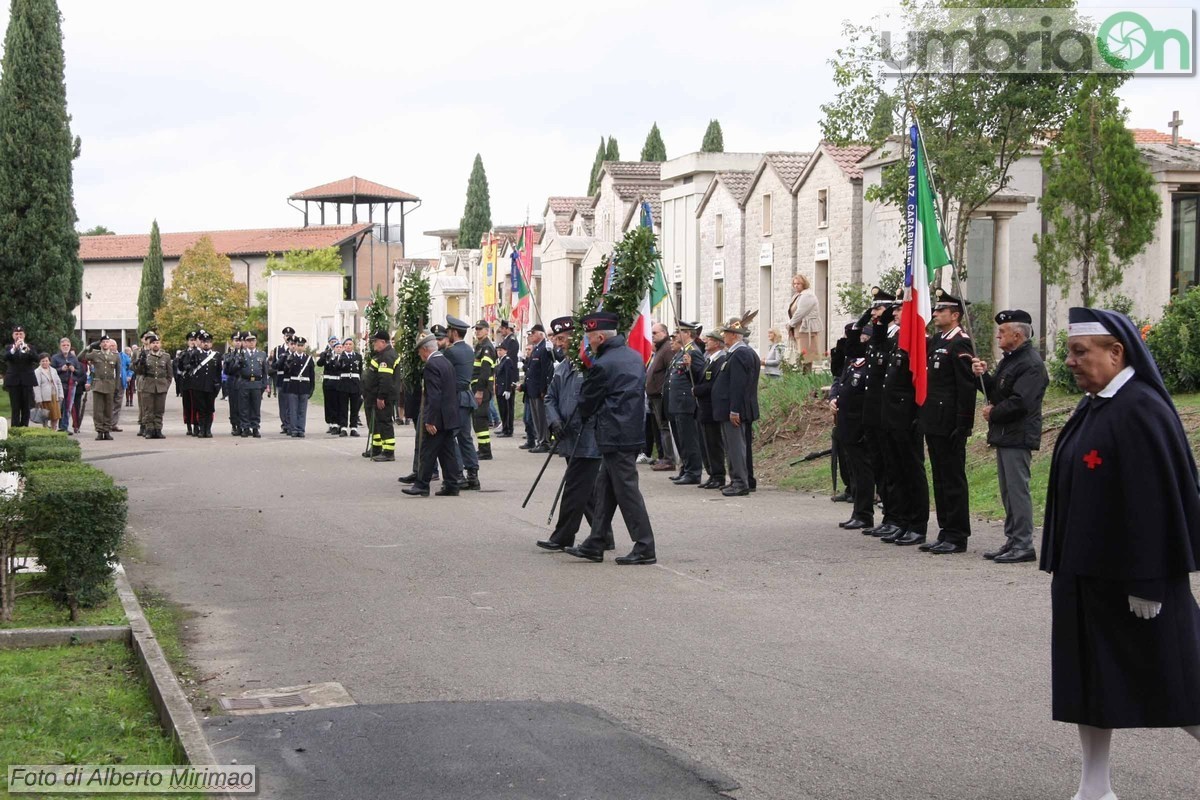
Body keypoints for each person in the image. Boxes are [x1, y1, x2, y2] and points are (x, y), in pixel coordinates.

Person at [1041, 307, 1200, 800]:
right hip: (1088, 578)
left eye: (1079, 351)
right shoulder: (1097, 404)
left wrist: (1150, 582)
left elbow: (1158, 501)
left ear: (1117, 352)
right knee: (1090, 685)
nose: (1070, 361)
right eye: (1069, 351)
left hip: (1137, 583)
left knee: (1182, 686)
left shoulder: (1141, 409)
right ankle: (1095, 787)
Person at [563, 312, 657, 565]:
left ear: (600, 337)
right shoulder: (634, 357)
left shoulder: (603, 364)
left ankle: (645, 546)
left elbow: (587, 402)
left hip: (613, 432)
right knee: (605, 487)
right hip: (630, 430)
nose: (588, 344)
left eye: (589, 339)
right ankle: (596, 541)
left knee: (627, 491)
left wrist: (581, 411)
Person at [971, 309, 1048, 564]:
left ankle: (1024, 543)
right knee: (1007, 491)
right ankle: (1013, 539)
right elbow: (998, 391)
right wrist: (983, 376)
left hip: (1018, 433)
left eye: (1002, 332)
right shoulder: (1011, 359)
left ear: (1017, 334)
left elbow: (1021, 402)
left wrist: (993, 413)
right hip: (1005, 434)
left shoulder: (1031, 364)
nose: (997, 336)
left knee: (1018, 491)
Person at [538, 316, 614, 551]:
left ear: (575, 339)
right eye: (556, 338)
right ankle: (604, 535)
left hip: (588, 437)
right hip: (568, 436)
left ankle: (563, 536)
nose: (558, 343)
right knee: (587, 490)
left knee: (574, 487)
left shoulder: (591, 366)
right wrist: (555, 422)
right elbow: (550, 397)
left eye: (561, 339)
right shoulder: (564, 367)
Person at [918, 289, 977, 554]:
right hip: (935, 421)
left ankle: (957, 534)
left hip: (951, 423)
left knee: (953, 478)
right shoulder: (937, 340)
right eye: (935, 309)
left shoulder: (960, 342)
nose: (935, 313)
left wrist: (963, 424)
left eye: (941, 310)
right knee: (940, 478)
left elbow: (966, 387)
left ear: (955, 315)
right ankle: (945, 530)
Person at [877, 298, 930, 546]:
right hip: (891, 417)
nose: (895, 313)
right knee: (896, 471)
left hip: (907, 418)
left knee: (911, 471)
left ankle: (917, 524)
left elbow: (916, 385)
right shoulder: (898, 342)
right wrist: (883, 318)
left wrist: (915, 417)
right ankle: (901, 519)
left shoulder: (919, 344)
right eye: (895, 309)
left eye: (900, 309)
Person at [402, 332, 464, 497]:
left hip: (437, 418)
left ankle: (422, 484)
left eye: (419, 351)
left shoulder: (431, 365)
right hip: (448, 416)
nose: (419, 354)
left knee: (427, 451)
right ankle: (452, 484)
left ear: (424, 350)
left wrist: (430, 420)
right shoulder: (446, 362)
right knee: (447, 452)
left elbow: (434, 395)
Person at [829, 319, 875, 530]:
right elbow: (838, 378)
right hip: (846, 422)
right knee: (853, 470)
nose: (858, 339)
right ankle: (857, 509)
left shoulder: (870, 362)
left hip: (860, 424)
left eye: (862, 335)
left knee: (863, 471)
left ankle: (864, 513)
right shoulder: (852, 361)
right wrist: (834, 398)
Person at [861, 289, 899, 536]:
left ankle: (898, 517)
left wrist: (881, 322)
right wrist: (870, 319)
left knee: (895, 467)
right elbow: (856, 338)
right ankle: (890, 516)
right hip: (876, 409)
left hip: (892, 411)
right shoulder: (882, 335)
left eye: (878, 309)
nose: (873, 312)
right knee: (881, 465)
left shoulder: (897, 337)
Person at [712, 314, 760, 497]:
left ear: (734, 335)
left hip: (735, 410)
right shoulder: (742, 353)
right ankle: (738, 480)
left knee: (736, 447)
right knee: (735, 447)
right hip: (734, 408)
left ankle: (740, 482)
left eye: (726, 334)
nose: (723, 337)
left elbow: (738, 385)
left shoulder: (740, 354)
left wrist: (734, 410)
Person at [667, 321, 706, 485]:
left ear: (688, 334)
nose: (676, 335)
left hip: (686, 401)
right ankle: (686, 468)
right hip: (678, 402)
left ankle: (693, 472)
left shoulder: (694, 352)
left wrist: (691, 366)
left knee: (689, 439)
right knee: (682, 438)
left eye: (680, 332)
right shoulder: (683, 351)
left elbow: (699, 375)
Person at [445, 316, 481, 488]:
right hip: (466, 397)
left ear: (453, 332)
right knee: (466, 437)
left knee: (452, 436)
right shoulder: (469, 349)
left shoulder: (450, 351)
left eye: (448, 331)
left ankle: (458, 473)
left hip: (456, 398)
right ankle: (473, 475)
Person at [692, 330, 727, 490]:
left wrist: (697, 391)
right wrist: (689, 368)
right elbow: (699, 378)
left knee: (714, 444)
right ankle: (712, 474)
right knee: (705, 444)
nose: (706, 341)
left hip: (711, 408)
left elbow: (714, 385)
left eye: (710, 340)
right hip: (703, 409)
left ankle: (719, 475)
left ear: (718, 343)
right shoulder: (709, 360)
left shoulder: (720, 360)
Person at [362, 330, 400, 460]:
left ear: (383, 342)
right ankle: (377, 447)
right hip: (374, 395)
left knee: (384, 422)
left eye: (375, 341)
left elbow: (385, 379)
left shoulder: (387, 356)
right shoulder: (382, 354)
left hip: (383, 396)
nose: (374, 344)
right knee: (377, 422)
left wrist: (381, 397)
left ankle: (388, 452)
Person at [645, 322, 675, 472]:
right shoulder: (660, 349)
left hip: (661, 395)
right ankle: (664, 456)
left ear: (664, 333)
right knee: (659, 428)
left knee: (664, 427)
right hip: (654, 395)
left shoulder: (667, 348)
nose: (653, 336)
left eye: (655, 333)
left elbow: (671, 371)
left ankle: (669, 459)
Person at [134, 333, 174, 439]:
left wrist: (166, 385)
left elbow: (169, 374)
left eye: (157, 343)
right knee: (148, 409)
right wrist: (140, 364)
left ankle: (158, 429)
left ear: (160, 344)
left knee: (159, 409)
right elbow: (138, 371)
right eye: (153, 343)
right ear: (150, 345)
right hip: (148, 385)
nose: (155, 345)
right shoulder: (144, 355)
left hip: (161, 386)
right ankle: (149, 429)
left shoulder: (166, 356)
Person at [229, 332, 267, 437]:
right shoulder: (241, 354)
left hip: (256, 383)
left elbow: (264, 371)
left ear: (256, 342)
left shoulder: (261, 354)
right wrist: (237, 363)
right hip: (244, 383)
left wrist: (264, 384)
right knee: (243, 407)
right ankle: (245, 427)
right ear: (245, 342)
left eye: (253, 341)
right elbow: (233, 370)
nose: (251, 343)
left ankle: (255, 427)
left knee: (255, 407)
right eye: (248, 341)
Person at [83, 336, 121, 440]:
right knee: (98, 409)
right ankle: (99, 430)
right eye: (103, 342)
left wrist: (117, 386)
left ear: (110, 344)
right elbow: (81, 358)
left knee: (108, 409)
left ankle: (107, 430)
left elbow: (118, 372)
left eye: (107, 342)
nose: (105, 344)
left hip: (110, 384)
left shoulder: (115, 356)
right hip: (98, 384)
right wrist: (88, 347)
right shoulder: (95, 354)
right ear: (100, 344)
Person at [524, 323, 553, 453]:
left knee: (541, 418)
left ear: (541, 334)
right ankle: (540, 440)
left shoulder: (543, 349)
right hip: (532, 389)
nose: (530, 336)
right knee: (536, 417)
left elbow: (544, 371)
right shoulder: (536, 348)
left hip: (539, 389)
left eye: (533, 333)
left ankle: (544, 441)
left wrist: (543, 389)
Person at [471, 320, 498, 460]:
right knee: (477, 419)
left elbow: (485, 371)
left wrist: (480, 391)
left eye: (480, 329)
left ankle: (485, 451)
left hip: (482, 388)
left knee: (480, 419)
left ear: (487, 330)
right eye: (476, 329)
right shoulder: (480, 346)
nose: (477, 331)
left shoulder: (487, 348)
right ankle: (482, 448)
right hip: (477, 387)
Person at [190, 330, 222, 438]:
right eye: (204, 342)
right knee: (201, 409)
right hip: (199, 386)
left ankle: (208, 429)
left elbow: (218, 372)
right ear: (201, 343)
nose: (206, 344)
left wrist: (218, 385)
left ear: (211, 343)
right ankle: (201, 429)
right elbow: (190, 369)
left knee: (210, 409)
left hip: (211, 386)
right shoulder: (196, 354)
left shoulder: (216, 356)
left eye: (208, 342)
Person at [786, 273, 822, 371]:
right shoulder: (798, 295)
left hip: (806, 330)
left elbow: (800, 312)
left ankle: (806, 378)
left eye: (798, 284)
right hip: (799, 329)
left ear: (804, 284)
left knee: (805, 356)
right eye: (794, 284)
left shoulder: (807, 295)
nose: (796, 286)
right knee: (800, 356)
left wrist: (790, 324)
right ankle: (803, 377)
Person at [3, 326, 38, 427]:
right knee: (15, 407)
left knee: (26, 407)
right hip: (13, 381)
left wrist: (27, 350)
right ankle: (15, 428)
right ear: (13, 336)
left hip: (27, 380)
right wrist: (14, 349)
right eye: (16, 334)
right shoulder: (9, 348)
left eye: (20, 334)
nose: (18, 336)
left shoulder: (30, 347)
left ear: (24, 335)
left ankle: (24, 428)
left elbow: (36, 358)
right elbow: (5, 358)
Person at [282, 336, 315, 437]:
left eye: (302, 345)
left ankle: (301, 429)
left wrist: (311, 389)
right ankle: (294, 429)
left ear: (304, 346)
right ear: (295, 346)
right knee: (293, 409)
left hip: (304, 387)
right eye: (298, 345)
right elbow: (286, 373)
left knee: (302, 410)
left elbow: (311, 375)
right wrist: (287, 364)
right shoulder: (291, 357)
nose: (300, 347)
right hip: (293, 387)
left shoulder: (308, 359)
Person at [50, 338, 80, 433]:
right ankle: (55, 426)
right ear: (60, 346)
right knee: (59, 406)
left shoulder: (74, 358)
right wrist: (61, 369)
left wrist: (73, 370)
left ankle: (64, 427)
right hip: (59, 385)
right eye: (64, 345)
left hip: (71, 385)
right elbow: (51, 371)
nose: (65, 347)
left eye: (67, 345)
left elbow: (80, 372)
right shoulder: (55, 358)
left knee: (68, 407)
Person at [270, 326, 295, 433]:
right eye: (286, 336)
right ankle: (284, 424)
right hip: (281, 378)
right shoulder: (278, 349)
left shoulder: (295, 348)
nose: (288, 338)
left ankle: (291, 424)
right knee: (283, 403)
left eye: (290, 336)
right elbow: (274, 365)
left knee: (291, 403)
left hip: (292, 379)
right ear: (283, 337)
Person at [317, 336, 343, 436]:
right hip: (328, 382)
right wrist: (323, 356)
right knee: (329, 404)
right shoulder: (326, 354)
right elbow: (319, 364)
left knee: (338, 404)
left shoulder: (341, 355)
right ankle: (331, 423)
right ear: (329, 343)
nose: (333, 344)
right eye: (332, 342)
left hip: (338, 382)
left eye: (335, 342)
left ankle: (339, 424)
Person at [175, 331, 199, 436]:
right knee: (187, 405)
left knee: (196, 405)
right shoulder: (183, 353)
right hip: (186, 383)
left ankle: (196, 426)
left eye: (195, 340)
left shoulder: (200, 353)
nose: (193, 342)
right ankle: (189, 425)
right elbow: (179, 369)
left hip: (197, 383)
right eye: (191, 340)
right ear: (188, 341)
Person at [32, 353, 64, 428]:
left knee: (55, 416)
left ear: (49, 361)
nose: (45, 362)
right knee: (45, 417)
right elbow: (36, 386)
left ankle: (53, 431)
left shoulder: (53, 370)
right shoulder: (37, 371)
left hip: (54, 396)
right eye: (43, 361)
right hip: (44, 398)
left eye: (46, 361)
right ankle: (46, 430)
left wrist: (61, 394)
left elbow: (59, 383)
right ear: (39, 362)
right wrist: (38, 399)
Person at [340, 338, 363, 437]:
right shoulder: (341, 356)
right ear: (344, 346)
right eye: (346, 344)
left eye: (350, 344)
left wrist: (361, 385)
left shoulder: (358, 356)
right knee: (343, 407)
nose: (348, 346)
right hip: (344, 383)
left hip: (355, 384)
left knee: (355, 407)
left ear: (353, 346)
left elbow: (360, 371)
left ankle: (353, 427)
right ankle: (343, 427)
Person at [494, 343, 518, 438]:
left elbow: (509, 375)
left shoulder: (507, 360)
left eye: (501, 350)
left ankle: (508, 430)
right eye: (498, 350)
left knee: (507, 411)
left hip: (505, 389)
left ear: (506, 351)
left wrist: (508, 389)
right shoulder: (499, 360)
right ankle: (504, 428)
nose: (499, 352)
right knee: (502, 410)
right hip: (500, 388)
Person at [224, 332, 243, 436]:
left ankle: (243, 425)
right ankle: (234, 425)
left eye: (240, 340)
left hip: (243, 381)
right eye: (236, 340)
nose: (238, 343)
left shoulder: (245, 353)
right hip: (233, 381)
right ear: (232, 341)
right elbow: (226, 371)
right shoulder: (229, 354)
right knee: (234, 404)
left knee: (243, 405)